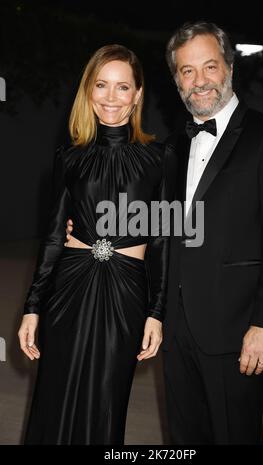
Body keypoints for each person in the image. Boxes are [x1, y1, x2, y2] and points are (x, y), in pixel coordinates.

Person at [18, 44, 170, 445]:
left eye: (123, 87)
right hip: (69, 288)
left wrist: (157, 312)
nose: (110, 97)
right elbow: (53, 236)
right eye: (101, 85)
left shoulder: (160, 158)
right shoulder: (69, 157)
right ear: (88, 91)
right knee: (55, 396)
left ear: (138, 95)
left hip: (126, 292)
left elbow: (162, 241)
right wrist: (33, 307)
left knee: (106, 400)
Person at [159, 21, 263, 444]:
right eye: (187, 71)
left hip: (238, 329)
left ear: (230, 69)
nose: (199, 81)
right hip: (175, 326)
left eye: (209, 67)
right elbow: (160, 225)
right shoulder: (174, 146)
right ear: (177, 80)